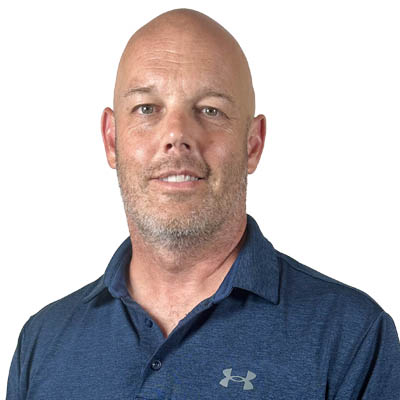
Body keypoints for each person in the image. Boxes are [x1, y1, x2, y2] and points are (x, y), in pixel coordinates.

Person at [6, 8, 400, 399]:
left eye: (210, 110)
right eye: (147, 109)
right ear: (112, 140)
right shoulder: (42, 343)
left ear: (252, 144)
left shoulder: (352, 339)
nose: (176, 135)